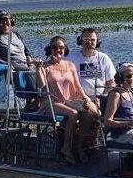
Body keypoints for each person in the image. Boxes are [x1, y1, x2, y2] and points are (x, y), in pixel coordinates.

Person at [38, 35, 100, 164]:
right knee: (73, 114)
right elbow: (41, 85)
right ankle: (66, 147)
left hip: (69, 101)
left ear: (65, 49)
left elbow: (78, 87)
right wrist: (39, 68)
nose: (58, 50)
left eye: (61, 47)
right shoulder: (46, 67)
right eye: (55, 47)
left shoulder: (70, 65)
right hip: (51, 103)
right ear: (50, 49)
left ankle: (80, 145)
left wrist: (85, 99)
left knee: (93, 113)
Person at [66, 28, 116, 99]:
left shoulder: (103, 58)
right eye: (86, 39)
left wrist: (102, 97)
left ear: (97, 42)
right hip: (80, 98)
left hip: (101, 97)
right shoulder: (71, 58)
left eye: (92, 40)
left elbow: (111, 83)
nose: (89, 42)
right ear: (80, 41)